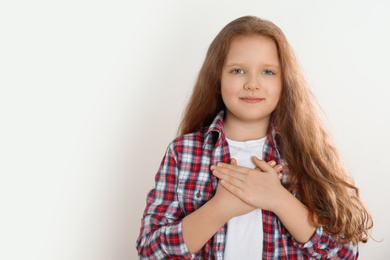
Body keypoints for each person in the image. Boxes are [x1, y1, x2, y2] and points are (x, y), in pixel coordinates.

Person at [136, 15, 373, 259]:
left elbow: (345, 252)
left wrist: (278, 199)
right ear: (217, 79)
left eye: (268, 72)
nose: (252, 84)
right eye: (238, 70)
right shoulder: (183, 152)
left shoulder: (307, 153)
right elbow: (149, 251)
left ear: (285, 82)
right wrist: (220, 208)